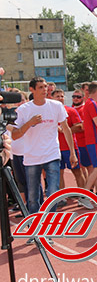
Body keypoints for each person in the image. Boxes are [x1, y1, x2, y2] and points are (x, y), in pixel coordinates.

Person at [12, 77, 78, 214]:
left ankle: (49, 223)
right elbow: (15, 135)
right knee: (33, 197)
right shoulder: (24, 109)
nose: (45, 89)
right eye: (41, 87)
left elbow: (66, 129)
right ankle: (35, 228)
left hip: (52, 154)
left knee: (53, 192)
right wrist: (29, 123)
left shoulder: (56, 106)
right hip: (31, 157)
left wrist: (72, 152)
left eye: (46, 86)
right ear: (32, 89)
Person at [50, 89, 85, 190]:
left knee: (77, 171)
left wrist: (65, 130)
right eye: (57, 96)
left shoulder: (70, 110)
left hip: (70, 147)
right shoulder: (49, 112)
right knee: (58, 174)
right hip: (55, 148)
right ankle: (62, 197)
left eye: (62, 96)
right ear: (52, 98)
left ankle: (83, 196)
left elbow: (79, 126)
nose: (60, 98)